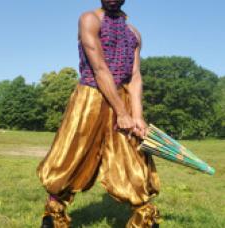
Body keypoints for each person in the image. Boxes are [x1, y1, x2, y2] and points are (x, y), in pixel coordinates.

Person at [37, 0, 161, 227]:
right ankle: (53, 215)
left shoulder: (134, 33)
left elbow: (135, 77)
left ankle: (144, 217)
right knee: (72, 155)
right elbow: (99, 68)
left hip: (123, 99)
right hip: (91, 98)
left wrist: (138, 116)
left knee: (134, 155)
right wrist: (122, 112)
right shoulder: (89, 19)